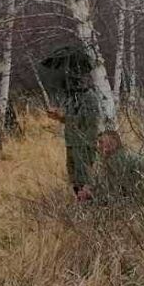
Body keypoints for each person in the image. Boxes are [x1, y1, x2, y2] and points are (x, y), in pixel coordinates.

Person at [44, 60, 101, 199]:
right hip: (71, 142)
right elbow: (71, 118)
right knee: (73, 177)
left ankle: (89, 204)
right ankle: (80, 203)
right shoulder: (72, 98)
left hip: (84, 144)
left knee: (84, 178)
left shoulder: (90, 98)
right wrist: (59, 116)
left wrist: (63, 116)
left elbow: (89, 121)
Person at [79, 130, 144, 205]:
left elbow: (118, 194)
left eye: (101, 142)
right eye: (99, 142)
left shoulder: (125, 162)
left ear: (115, 143)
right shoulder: (99, 164)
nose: (99, 146)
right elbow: (98, 186)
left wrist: (93, 196)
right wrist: (88, 191)